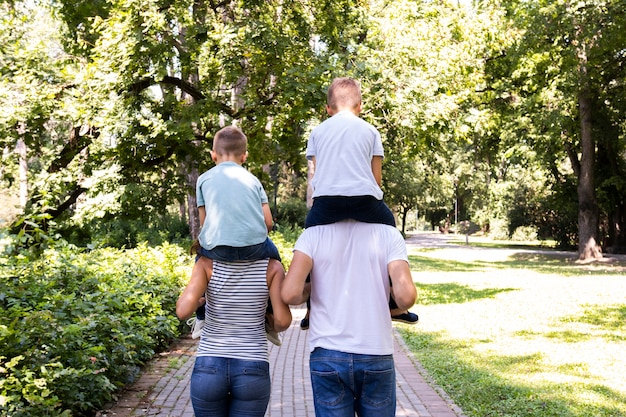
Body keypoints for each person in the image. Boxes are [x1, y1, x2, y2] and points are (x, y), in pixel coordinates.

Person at [302, 77, 417, 327]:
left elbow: (317, 172)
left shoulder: (318, 132)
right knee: (389, 225)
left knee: (310, 234)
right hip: (364, 198)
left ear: (328, 109)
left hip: (327, 200)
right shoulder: (370, 130)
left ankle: (310, 310)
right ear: (360, 106)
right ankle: (394, 305)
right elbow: (376, 178)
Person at [281, 219, 417, 417]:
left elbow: (290, 295)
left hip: (328, 352)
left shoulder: (313, 234)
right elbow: (406, 298)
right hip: (375, 351)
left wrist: (310, 288)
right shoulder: (388, 234)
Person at [189, 125, 283, 345]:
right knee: (276, 259)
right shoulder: (253, 180)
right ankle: (269, 317)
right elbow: (268, 223)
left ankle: (201, 317)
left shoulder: (203, 180)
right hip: (255, 247)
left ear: (213, 155)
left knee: (198, 261)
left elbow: (204, 223)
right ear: (245, 156)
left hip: (216, 248)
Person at [177, 254, 292, 417]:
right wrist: (267, 318)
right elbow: (282, 322)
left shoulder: (205, 264)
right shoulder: (272, 267)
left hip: (209, 364)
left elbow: (182, 311)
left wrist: (198, 303)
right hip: (252, 363)